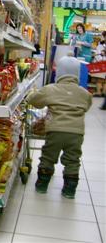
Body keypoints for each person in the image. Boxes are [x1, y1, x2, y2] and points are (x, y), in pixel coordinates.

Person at [27, 56, 92, 199]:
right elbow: (87, 106)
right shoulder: (84, 93)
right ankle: (69, 191)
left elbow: (34, 101)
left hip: (55, 131)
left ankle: (42, 185)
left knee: (48, 157)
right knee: (73, 160)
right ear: (77, 74)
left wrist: (30, 95)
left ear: (59, 73)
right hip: (76, 133)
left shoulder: (51, 89)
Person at [93, 31, 106, 97]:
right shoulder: (100, 45)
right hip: (102, 62)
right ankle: (103, 92)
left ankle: (99, 92)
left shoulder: (101, 45)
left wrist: (99, 58)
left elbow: (97, 54)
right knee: (102, 79)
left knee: (99, 79)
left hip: (101, 63)